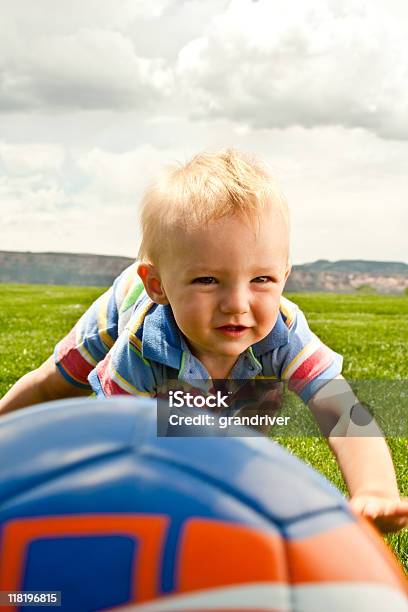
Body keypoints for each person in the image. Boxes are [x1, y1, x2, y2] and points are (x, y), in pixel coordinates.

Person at [1, 149, 407, 533]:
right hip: (123, 308)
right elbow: (122, 445)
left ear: (284, 276)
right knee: (60, 380)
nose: (236, 304)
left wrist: (374, 491)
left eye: (261, 279)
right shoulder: (141, 347)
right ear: (159, 285)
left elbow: (341, 411)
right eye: (207, 280)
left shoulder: (284, 333)